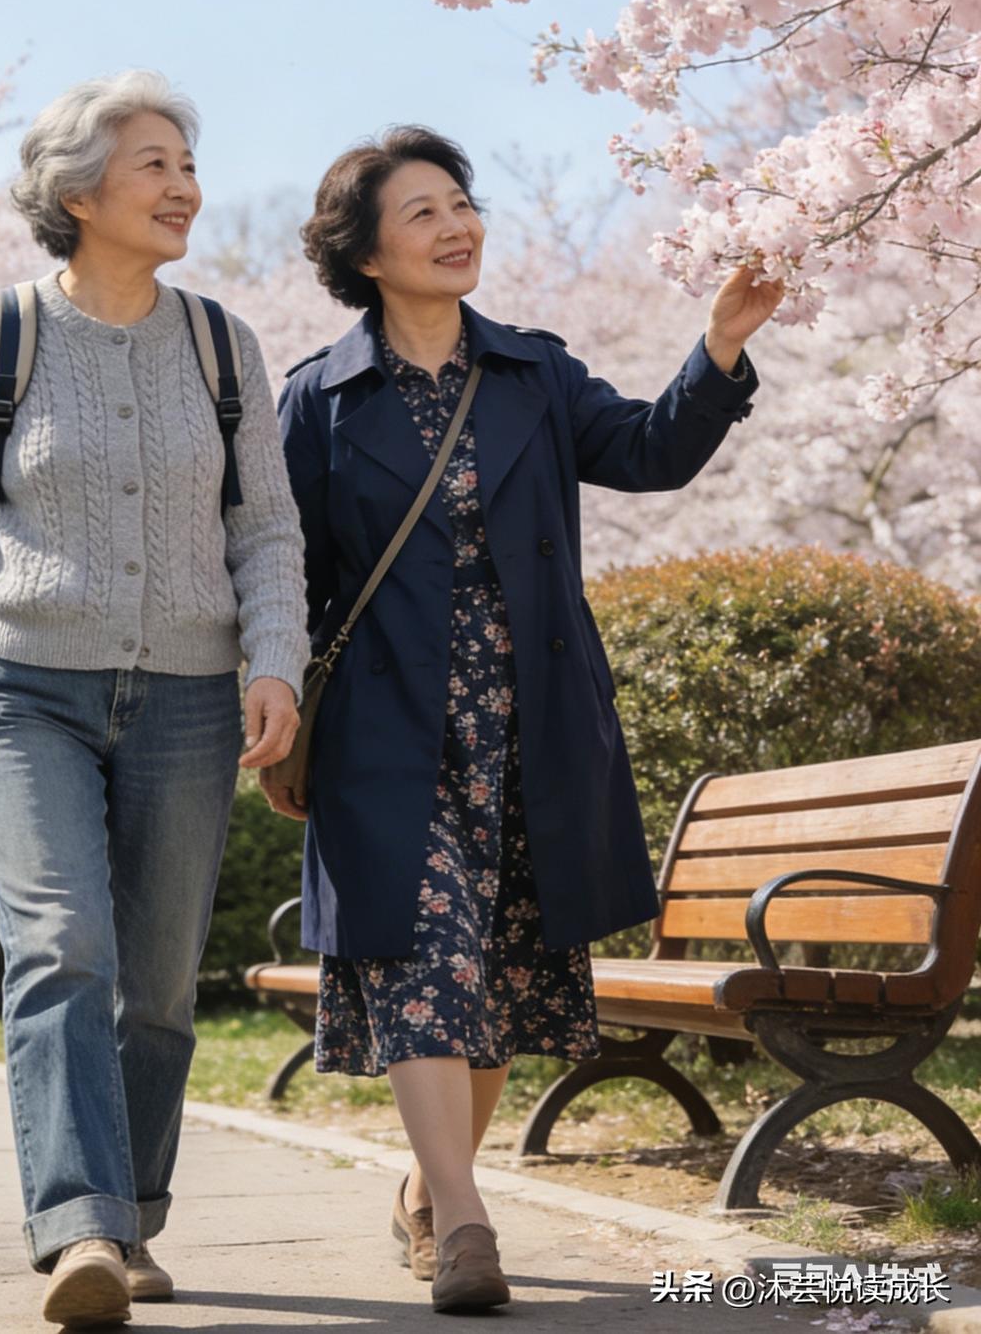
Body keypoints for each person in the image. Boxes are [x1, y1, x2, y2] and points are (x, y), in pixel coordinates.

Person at [272, 126, 781, 1314]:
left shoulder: (534, 373)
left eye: (463, 203)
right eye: (422, 213)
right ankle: (464, 1215)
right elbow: (279, 575)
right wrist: (276, 703)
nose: (457, 227)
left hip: (532, 725)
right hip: (383, 739)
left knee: (494, 981)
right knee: (421, 963)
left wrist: (716, 348)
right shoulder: (318, 401)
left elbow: (649, 454)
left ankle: (422, 1188)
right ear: (362, 252)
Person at [0, 70, 309, 1329]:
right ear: (76, 192)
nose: (184, 186)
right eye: (154, 164)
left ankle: (129, 1219)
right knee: (62, 941)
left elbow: (266, 529)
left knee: (162, 983)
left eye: (187, 162)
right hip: (22, 686)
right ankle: (79, 1225)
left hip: (187, 694)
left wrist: (274, 659)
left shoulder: (219, 342)